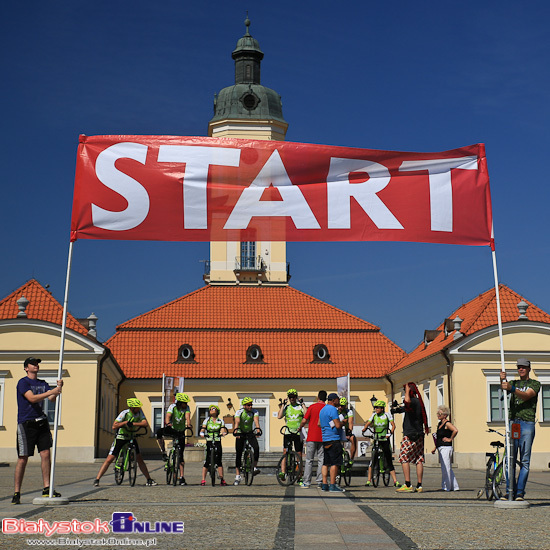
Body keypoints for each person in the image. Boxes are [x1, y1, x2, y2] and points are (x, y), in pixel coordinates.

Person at [13, 357, 63, 504]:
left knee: (46, 453)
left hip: (41, 422)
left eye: (37, 363)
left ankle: (47, 487)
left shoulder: (42, 383)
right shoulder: (23, 382)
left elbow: (52, 398)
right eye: (33, 364)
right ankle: (17, 492)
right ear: (26, 368)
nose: (36, 366)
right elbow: (32, 398)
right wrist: (52, 391)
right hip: (26, 424)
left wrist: (58, 388)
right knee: (23, 458)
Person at [499, 358, 540, 501]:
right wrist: (502, 380)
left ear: (529, 368)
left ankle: (520, 492)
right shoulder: (514, 383)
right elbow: (505, 390)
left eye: (524, 367)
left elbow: (527, 395)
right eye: (519, 367)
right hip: (513, 423)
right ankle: (510, 490)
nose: (521, 369)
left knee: (524, 461)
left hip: (527, 423)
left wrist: (511, 389)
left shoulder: (534, 384)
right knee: (509, 458)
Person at [93, 398, 157, 487]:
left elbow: (145, 423)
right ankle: (97, 479)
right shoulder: (124, 413)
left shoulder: (139, 413)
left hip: (131, 437)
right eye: (136, 407)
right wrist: (125, 423)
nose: (139, 409)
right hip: (121, 437)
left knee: (139, 459)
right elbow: (114, 426)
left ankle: (149, 479)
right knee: (110, 459)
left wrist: (133, 424)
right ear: (132, 408)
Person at [394, 382, 429, 493]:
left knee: (404, 457)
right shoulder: (418, 402)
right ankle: (419, 485)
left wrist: (407, 392)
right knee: (419, 459)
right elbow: (405, 407)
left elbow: (407, 402)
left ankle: (408, 484)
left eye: (406, 390)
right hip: (419, 434)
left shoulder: (412, 401)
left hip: (410, 434)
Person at [156, 392, 191, 485]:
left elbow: (187, 417)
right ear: (179, 402)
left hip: (181, 431)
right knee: (159, 432)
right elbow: (168, 416)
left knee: (180, 456)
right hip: (172, 429)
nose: (186, 404)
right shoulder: (172, 407)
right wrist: (168, 423)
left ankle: (182, 477)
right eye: (184, 402)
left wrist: (189, 424)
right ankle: (164, 452)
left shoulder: (186, 408)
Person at [363, 400, 401, 488]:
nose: (375, 409)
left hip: (385, 438)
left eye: (377, 408)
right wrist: (364, 428)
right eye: (375, 408)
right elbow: (368, 423)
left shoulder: (387, 415)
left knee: (388, 459)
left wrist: (390, 433)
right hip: (377, 438)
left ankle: (395, 481)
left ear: (382, 408)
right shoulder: (374, 415)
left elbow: (393, 425)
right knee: (373, 459)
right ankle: (369, 480)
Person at [298, 390, 327, 488]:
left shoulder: (312, 407)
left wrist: (300, 427)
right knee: (321, 460)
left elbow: (304, 420)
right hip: (323, 437)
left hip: (311, 437)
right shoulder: (326, 408)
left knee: (309, 460)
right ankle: (320, 481)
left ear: (318, 397)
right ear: (326, 398)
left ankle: (307, 482)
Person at [277, 388, 306, 481]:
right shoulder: (287, 407)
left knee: (299, 454)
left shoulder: (300, 407)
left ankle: (300, 475)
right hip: (288, 432)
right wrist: (283, 405)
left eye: (293, 397)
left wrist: (302, 403)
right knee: (285, 452)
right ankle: (283, 472)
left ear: (296, 397)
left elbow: (306, 414)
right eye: (290, 397)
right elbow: (279, 416)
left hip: (298, 432)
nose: (292, 399)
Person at [318, 392, 345, 492]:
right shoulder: (333, 409)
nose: (339, 401)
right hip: (334, 439)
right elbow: (337, 425)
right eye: (337, 399)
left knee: (326, 463)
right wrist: (343, 422)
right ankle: (333, 485)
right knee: (335, 463)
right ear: (333, 400)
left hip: (325, 439)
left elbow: (319, 424)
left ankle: (324, 484)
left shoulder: (322, 410)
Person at [233, 397, 261, 485]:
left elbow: (256, 421)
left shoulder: (255, 411)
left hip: (249, 432)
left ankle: (254, 467)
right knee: (239, 453)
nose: (250, 406)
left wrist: (258, 430)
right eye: (248, 405)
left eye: (251, 405)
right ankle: (238, 476)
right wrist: (236, 431)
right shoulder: (239, 412)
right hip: (241, 432)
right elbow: (237, 422)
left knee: (256, 448)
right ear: (244, 406)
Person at [431, 405, 459, 491]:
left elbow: (455, 430)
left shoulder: (447, 423)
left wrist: (450, 438)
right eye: (438, 413)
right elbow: (438, 437)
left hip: (446, 447)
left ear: (445, 415)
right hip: (440, 447)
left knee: (446, 467)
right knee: (445, 467)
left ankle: (447, 486)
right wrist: (435, 447)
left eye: (440, 413)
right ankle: (454, 486)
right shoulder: (440, 424)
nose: (438, 415)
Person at [200, 405, 228, 486]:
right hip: (209, 439)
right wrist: (202, 432)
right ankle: (203, 480)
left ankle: (222, 479)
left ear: (217, 411)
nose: (212, 410)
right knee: (207, 460)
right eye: (210, 409)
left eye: (213, 409)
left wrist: (223, 433)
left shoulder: (220, 421)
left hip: (217, 439)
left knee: (219, 459)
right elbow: (203, 428)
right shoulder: (207, 420)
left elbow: (222, 428)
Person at [338, 397, 357, 463]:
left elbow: (350, 422)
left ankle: (351, 459)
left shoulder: (349, 412)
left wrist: (349, 432)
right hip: (337, 430)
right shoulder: (335, 411)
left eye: (342, 406)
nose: (340, 407)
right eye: (339, 405)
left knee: (353, 439)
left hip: (346, 430)